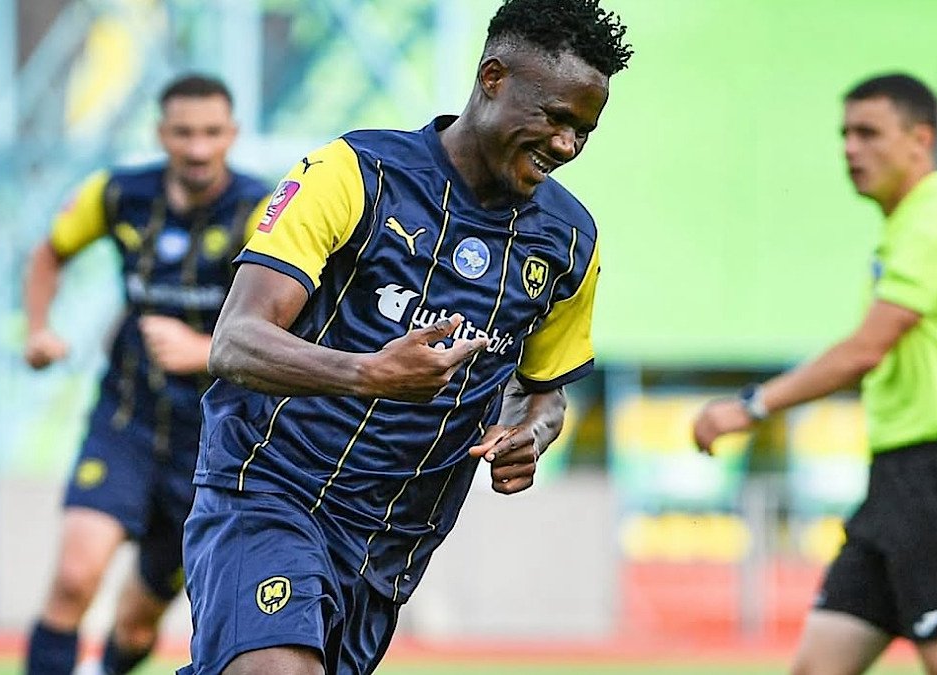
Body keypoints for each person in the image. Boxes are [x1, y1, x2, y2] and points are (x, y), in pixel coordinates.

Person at [176, 2, 632, 674]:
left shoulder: (569, 243)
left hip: (392, 544)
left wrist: (529, 436)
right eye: (555, 118)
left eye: (583, 132)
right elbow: (236, 341)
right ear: (493, 78)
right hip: (269, 489)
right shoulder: (355, 171)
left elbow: (545, 392)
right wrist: (368, 373)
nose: (566, 145)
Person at [693, 73, 937, 675]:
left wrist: (750, 406)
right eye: (845, 134)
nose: (851, 149)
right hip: (897, 482)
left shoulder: (936, 223)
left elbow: (862, 352)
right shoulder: (907, 227)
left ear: (920, 140)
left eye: (869, 133)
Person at [21, 74, 271, 675]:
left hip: (212, 445)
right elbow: (49, 253)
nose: (197, 149)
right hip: (124, 421)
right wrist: (38, 329)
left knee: (136, 624)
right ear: (161, 134)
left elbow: (294, 321)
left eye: (211, 133)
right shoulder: (117, 194)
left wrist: (204, 351)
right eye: (183, 133)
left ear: (232, 134)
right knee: (74, 579)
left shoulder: (262, 210)